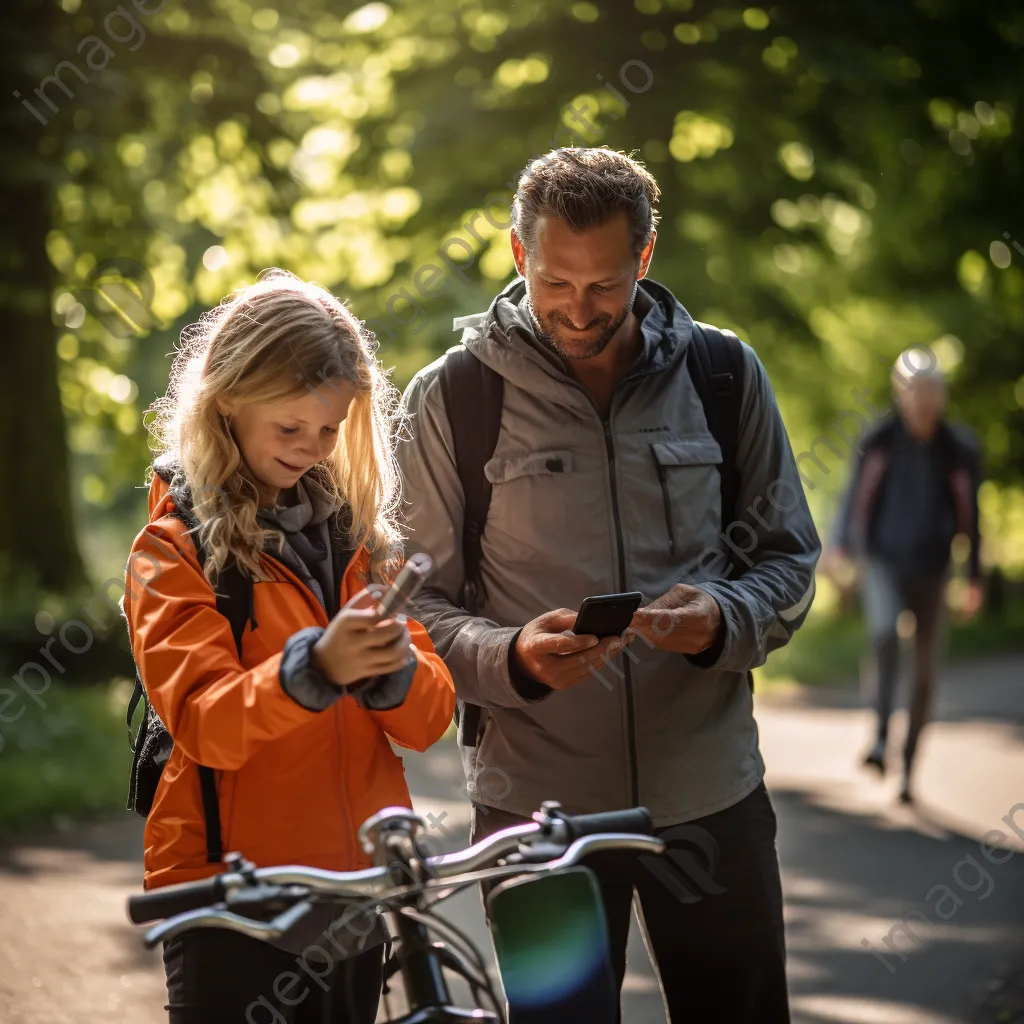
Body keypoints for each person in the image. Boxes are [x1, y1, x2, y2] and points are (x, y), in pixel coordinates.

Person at [396, 148, 820, 1023]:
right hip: (535, 815)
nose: (578, 310)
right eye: (556, 282)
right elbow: (410, 605)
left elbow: (788, 558)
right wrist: (508, 655)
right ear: (519, 256)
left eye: (604, 285)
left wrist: (723, 615)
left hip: (709, 800)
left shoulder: (724, 375)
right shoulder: (453, 399)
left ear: (645, 257)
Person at [122, 271, 455, 1023]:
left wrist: (392, 669)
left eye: (331, 430)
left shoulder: (361, 544)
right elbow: (206, 722)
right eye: (290, 429)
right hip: (232, 897)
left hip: (357, 890)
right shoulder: (171, 550)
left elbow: (429, 721)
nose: (312, 449)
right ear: (229, 403)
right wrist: (315, 669)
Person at [831, 348, 983, 804]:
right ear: (901, 393)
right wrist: (841, 548)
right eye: (916, 390)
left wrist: (972, 577)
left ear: (943, 396)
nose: (924, 400)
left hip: (934, 571)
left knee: (925, 676)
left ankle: (908, 767)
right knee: (883, 636)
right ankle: (879, 737)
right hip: (883, 562)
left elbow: (972, 516)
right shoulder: (879, 439)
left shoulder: (959, 449)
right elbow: (853, 499)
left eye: (933, 391)